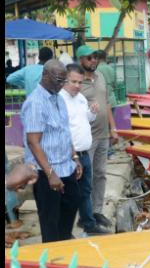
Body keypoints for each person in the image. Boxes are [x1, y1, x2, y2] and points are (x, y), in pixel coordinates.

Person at [21, 60, 83, 243]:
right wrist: (50, 174)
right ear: (45, 76)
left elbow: (65, 131)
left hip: (66, 167)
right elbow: (33, 142)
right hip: (46, 172)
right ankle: (50, 261)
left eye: (64, 81)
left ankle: (63, 248)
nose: (61, 84)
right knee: (50, 221)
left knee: (72, 205)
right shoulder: (35, 103)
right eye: (58, 80)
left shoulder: (59, 98)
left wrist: (75, 157)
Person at [59, 63, 111, 235]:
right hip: (70, 155)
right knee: (70, 195)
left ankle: (89, 224)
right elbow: (62, 130)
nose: (77, 86)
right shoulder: (60, 100)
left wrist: (92, 112)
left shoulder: (80, 98)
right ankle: (65, 231)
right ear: (64, 80)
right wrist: (73, 156)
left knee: (85, 191)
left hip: (84, 153)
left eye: (80, 82)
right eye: (73, 82)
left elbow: (85, 119)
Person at [77, 45, 119, 227]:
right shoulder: (76, 82)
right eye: (89, 58)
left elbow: (107, 103)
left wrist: (113, 128)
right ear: (80, 60)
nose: (93, 60)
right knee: (86, 177)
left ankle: (97, 211)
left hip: (103, 135)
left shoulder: (100, 76)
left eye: (95, 57)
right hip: (86, 138)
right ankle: (84, 216)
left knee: (100, 174)